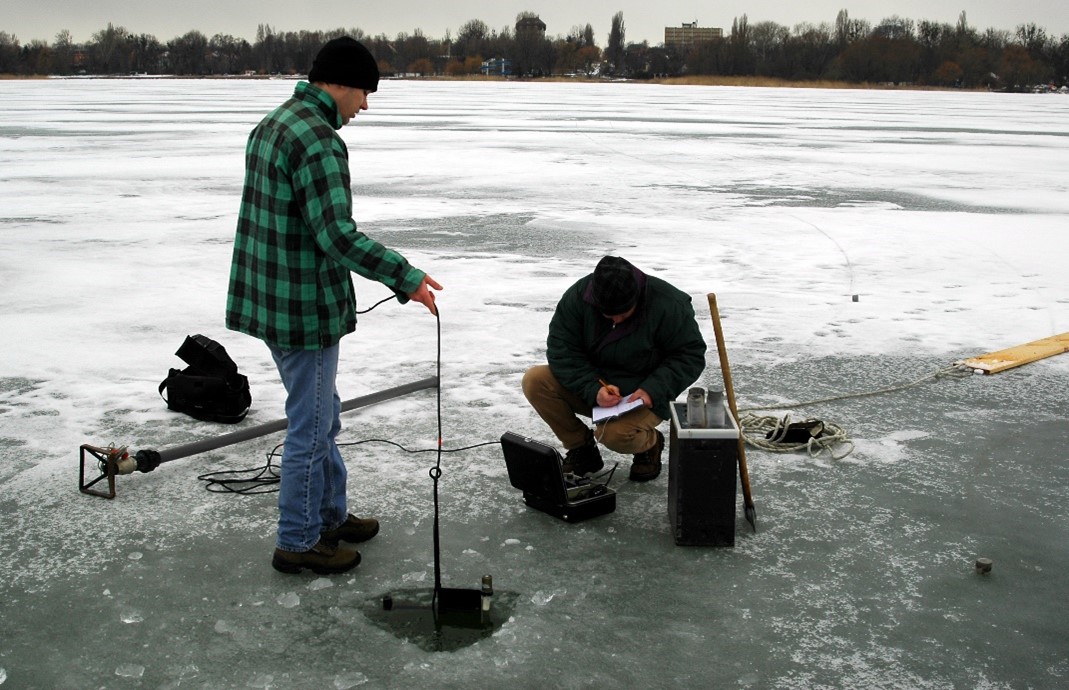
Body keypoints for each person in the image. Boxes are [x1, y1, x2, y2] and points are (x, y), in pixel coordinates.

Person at [226, 37, 442, 575]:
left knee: (321, 416)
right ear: (340, 83)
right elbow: (336, 235)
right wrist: (404, 276)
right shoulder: (317, 139)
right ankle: (298, 541)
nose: (365, 105)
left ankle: (329, 514)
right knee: (312, 425)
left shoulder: (275, 123)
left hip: (272, 300)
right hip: (302, 308)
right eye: (364, 93)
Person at [522, 256, 706, 481]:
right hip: (598, 387)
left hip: (642, 394)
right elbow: (562, 351)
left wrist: (652, 390)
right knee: (535, 380)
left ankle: (650, 444)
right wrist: (593, 388)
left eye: (623, 313)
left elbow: (689, 355)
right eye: (608, 314)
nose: (616, 319)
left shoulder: (668, 303)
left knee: (613, 435)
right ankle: (581, 449)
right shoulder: (578, 296)